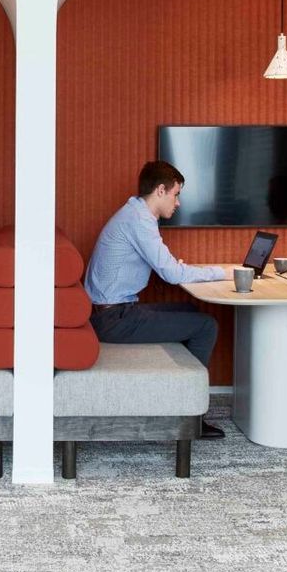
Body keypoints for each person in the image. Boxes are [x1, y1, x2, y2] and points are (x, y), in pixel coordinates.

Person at [83, 160, 228, 439]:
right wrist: (223, 272)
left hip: (109, 312)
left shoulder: (135, 213)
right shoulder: (139, 221)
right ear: (160, 190)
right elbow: (171, 274)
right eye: (176, 194)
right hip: (112, 319)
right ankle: (189, 416)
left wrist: (180, 268)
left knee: (189, 310)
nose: (178, 203)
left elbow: (166, 266)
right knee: (206, 326)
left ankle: (176, 396)